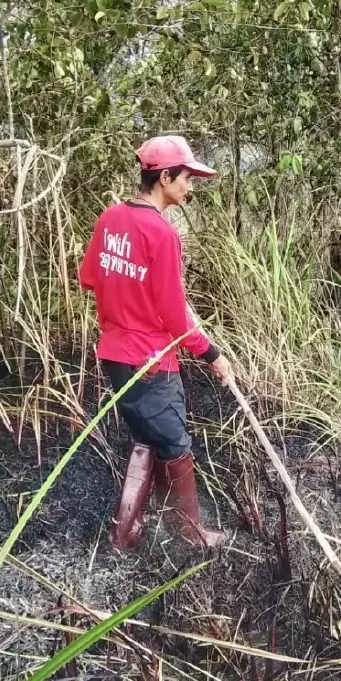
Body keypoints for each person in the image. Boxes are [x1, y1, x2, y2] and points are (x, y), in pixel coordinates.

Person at [79, 135, 233, 551]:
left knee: (148, 439)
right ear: (164, 177)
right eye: (185, 178)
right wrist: (211, 353)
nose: (190, 186)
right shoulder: (163, 234)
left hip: (115, 357)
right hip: (152, 363)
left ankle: (126, 532)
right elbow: (173, 316)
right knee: (176, 445)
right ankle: (189, 533)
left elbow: (89, 277)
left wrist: (131, 293)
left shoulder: (110, 218)